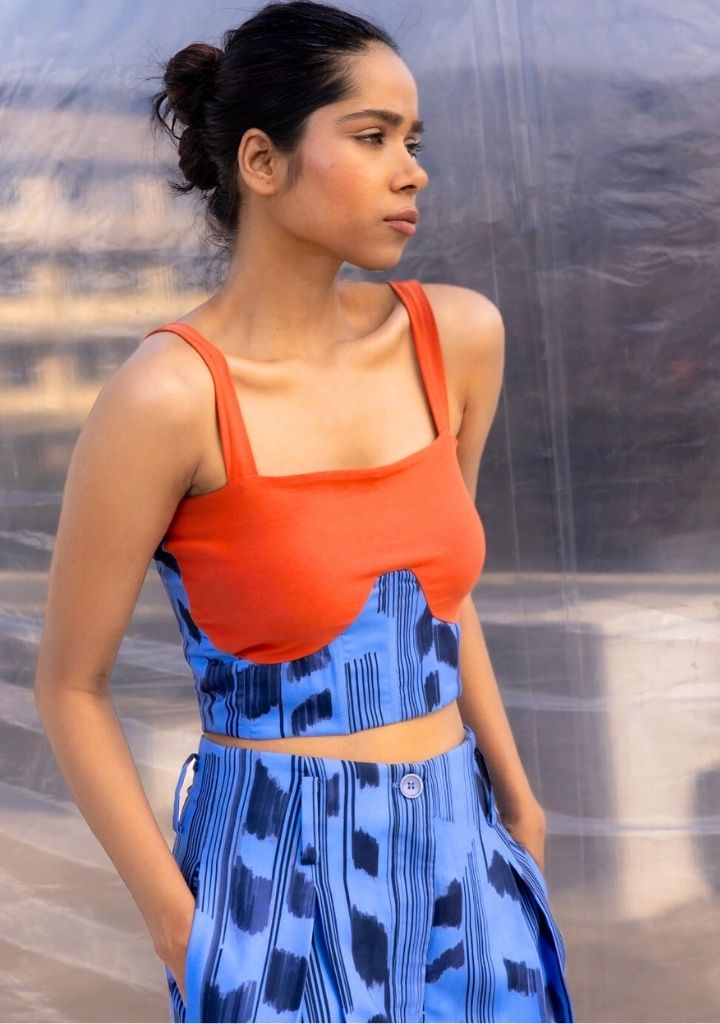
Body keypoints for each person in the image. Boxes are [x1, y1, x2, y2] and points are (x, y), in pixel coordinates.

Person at [33, 2, 575, 1021]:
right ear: (262, 161)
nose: (411, 172)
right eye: (371, 137)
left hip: (467, 859)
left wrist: (522, 810)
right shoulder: (169, 397)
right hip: (274, 882)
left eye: (413, 142)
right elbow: (69, 686)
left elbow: (444, 600)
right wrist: (180, 927)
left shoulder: (457, 339)